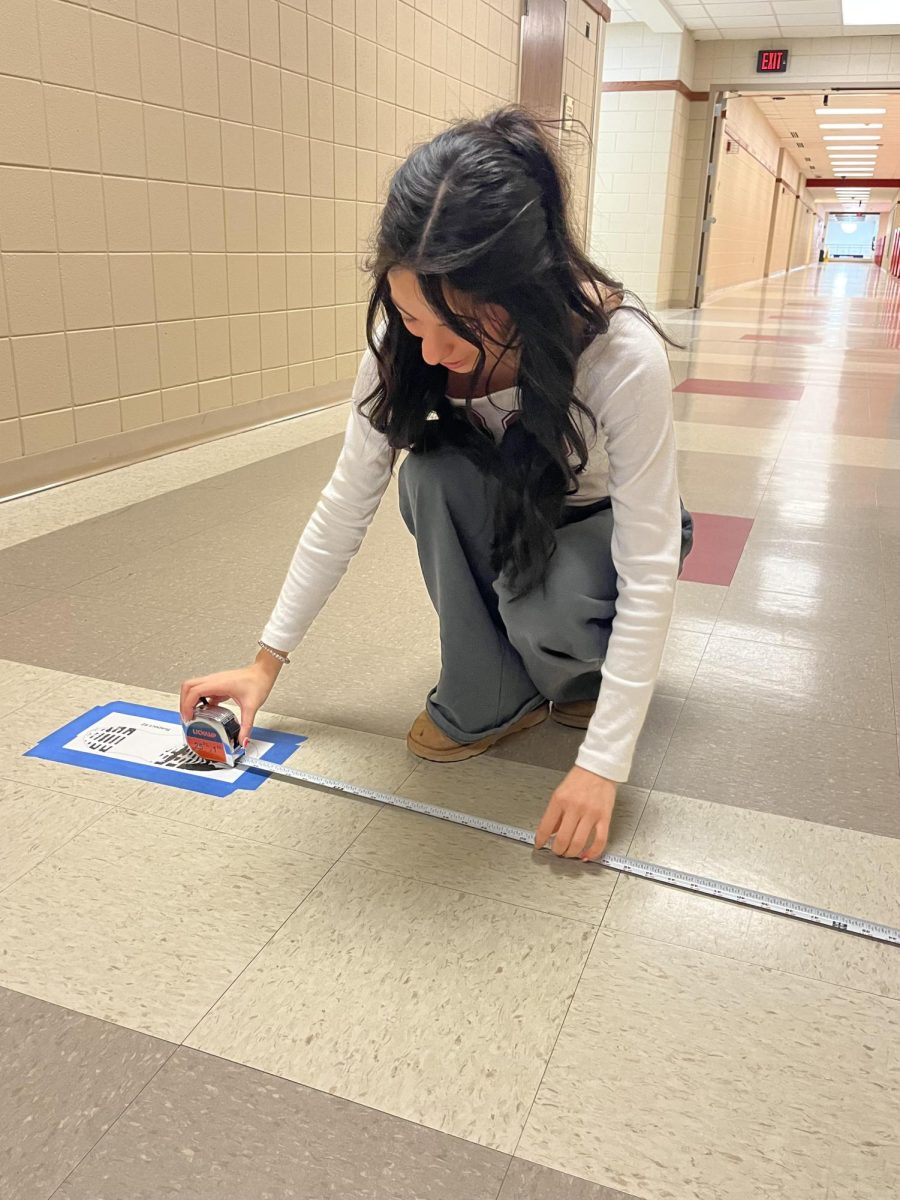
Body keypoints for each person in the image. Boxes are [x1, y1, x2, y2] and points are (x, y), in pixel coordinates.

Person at [180, 107, 693, 864]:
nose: (429, 344)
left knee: (539, 605)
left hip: (602, 522)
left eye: (455, 324)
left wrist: (601, 766)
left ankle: (576, 667)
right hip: (512, 508)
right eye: (412, 314)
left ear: (525, 292)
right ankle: (494, 689)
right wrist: (265, 664)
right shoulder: (408, 340)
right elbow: (344, 502)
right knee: (429, 474)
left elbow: (650, 566)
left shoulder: (621, 355)